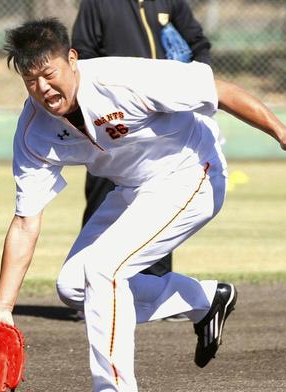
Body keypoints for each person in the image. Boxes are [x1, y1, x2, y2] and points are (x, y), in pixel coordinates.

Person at [0, 18, 286, 392]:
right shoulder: (35, 130)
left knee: (103, 270)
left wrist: (282, 133)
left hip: (192, 175)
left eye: (48, 73)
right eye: (30, 79)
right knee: (73, 285)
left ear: (72, 59)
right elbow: (25, 222)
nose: (42, 88)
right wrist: (1, 310)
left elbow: (217, 91)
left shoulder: (124, 79)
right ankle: (205, 299)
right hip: (133, 189)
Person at [72, 0, 212, 281]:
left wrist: (195, 84)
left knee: (162, 197)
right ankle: (90, 285)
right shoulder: (98, 3)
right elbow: (82, 54)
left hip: (161, 118)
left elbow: (197, 42)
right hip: (113, 115)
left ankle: (156, 284)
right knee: (102, 196)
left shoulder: (168, 1)